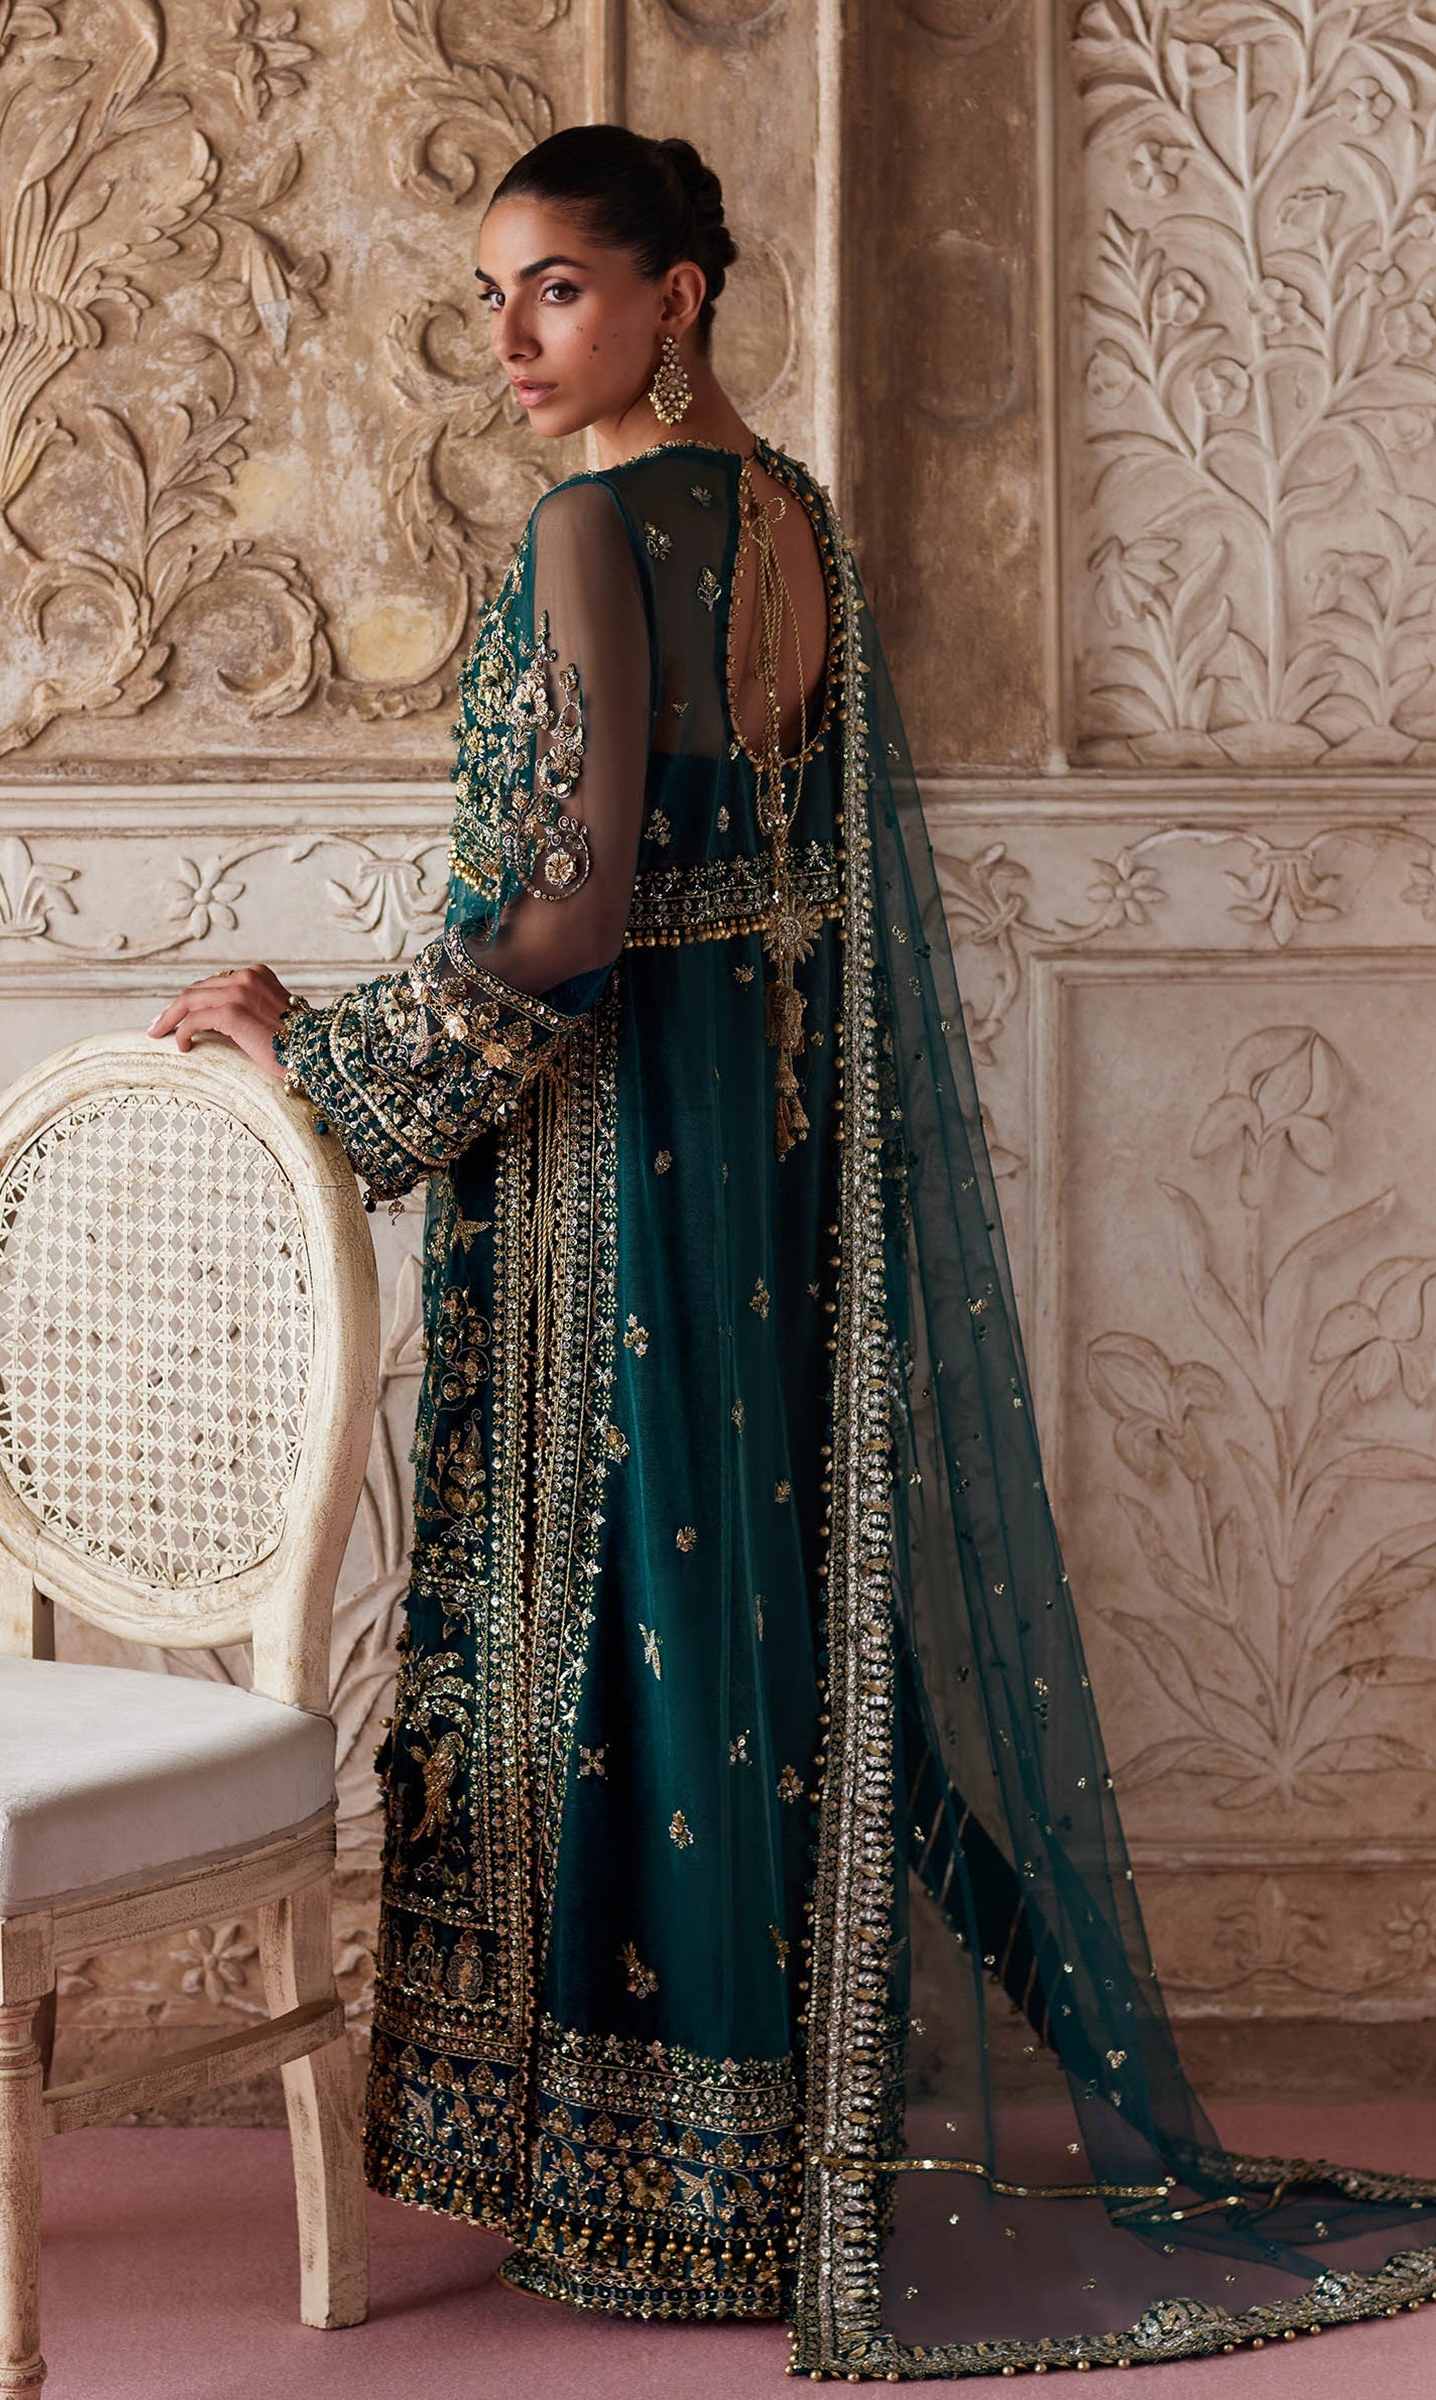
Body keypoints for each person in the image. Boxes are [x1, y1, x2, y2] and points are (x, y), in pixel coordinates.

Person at [148, 127, 1436, 2381]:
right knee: (740, 1612)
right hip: (758, 1151)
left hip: (618, 1153)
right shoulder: (791, 520)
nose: (506, 337)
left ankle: (658, 2197)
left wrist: (309, 1051)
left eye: (555, 286)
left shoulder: (590, 527)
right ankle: (759, 2167)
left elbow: (570, 918)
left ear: (677, 295)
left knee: (631, 1614)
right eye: (489, 292)